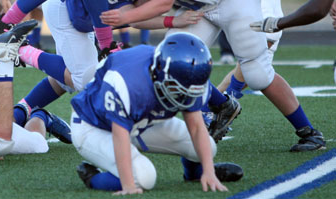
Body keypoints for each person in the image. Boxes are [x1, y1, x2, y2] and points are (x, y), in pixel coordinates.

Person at [99, 0, 325, 152]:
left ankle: (309, 132)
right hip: (197, 6)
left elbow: (164, 0)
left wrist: (126, 15)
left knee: (256, 73)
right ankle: (222, 106)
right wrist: (131, 14)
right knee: (171, 63)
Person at [13, 0, 203, 127]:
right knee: (84, 78)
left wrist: (172, 19)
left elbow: (134, 16)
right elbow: (134, 17)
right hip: (68, 9)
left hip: (80, 11)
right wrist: (172, 20)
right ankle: (20, 51)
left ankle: (23, 110)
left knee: (69, 73)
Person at [70, 33, 242, 194]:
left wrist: (209, 171)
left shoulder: (188, 78)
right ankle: (92, 176)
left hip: (142, 120)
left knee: (208, 147)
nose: (183, 97)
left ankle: (195, 173)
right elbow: (119, 134)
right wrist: (129, 185)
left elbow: (196, 127)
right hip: (94, 125)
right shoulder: (128, 80)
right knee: (144, 178)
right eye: (177, 89)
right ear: (159, 71)